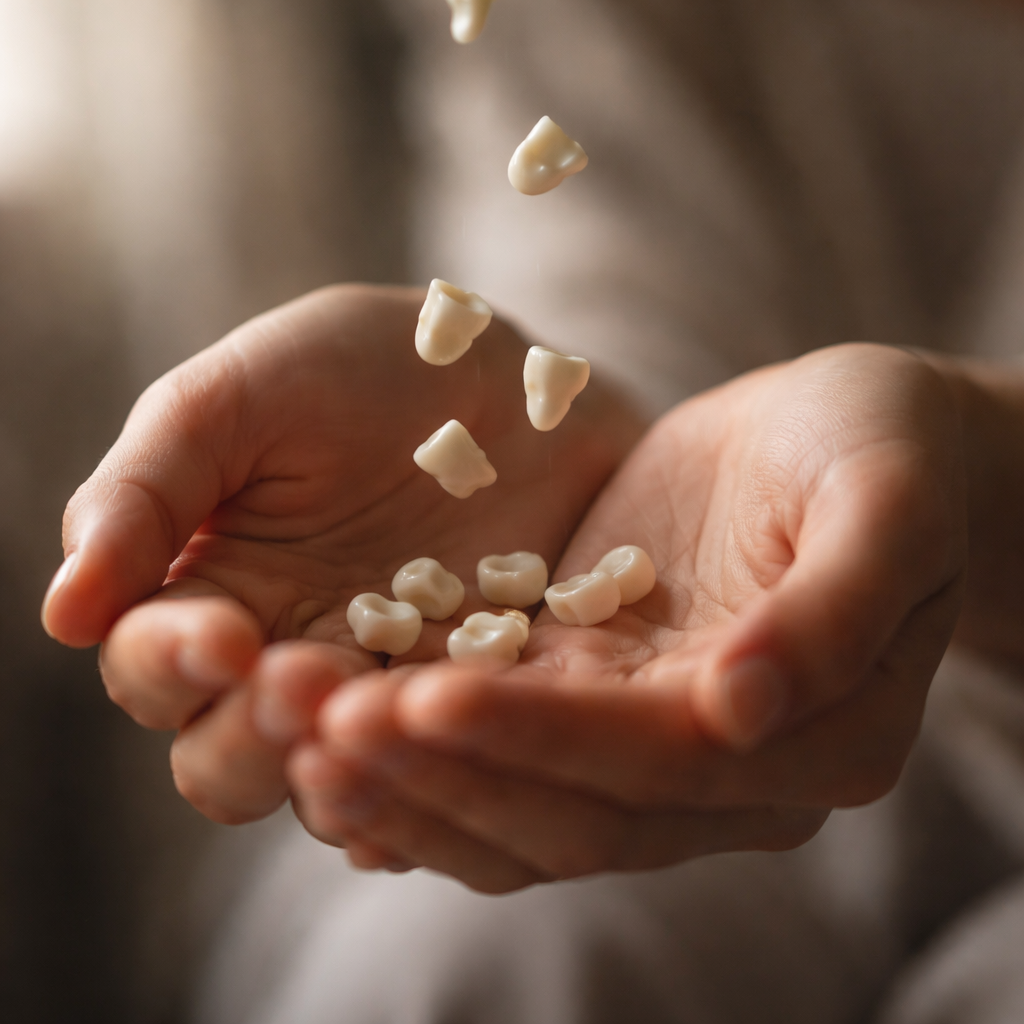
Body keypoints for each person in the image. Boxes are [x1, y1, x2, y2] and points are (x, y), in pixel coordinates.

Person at [41, 0, 1024, 1021]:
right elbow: (621, 295)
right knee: (455, 956)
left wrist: (983, 479)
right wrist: (541, 443)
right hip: (767, 723)